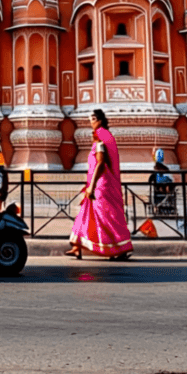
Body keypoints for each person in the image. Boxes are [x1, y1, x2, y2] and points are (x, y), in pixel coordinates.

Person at [66, 108, 133, 260]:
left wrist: (92, 186)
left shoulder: (100, 139)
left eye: (94, 119)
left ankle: (120, 248)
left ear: (100, 121)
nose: (91, 122)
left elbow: (101, 164)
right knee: (87, 213)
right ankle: (77, 246)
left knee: (106, 218)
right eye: (90, 119)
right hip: (100, 185)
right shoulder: (104, 138)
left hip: (101, 186)